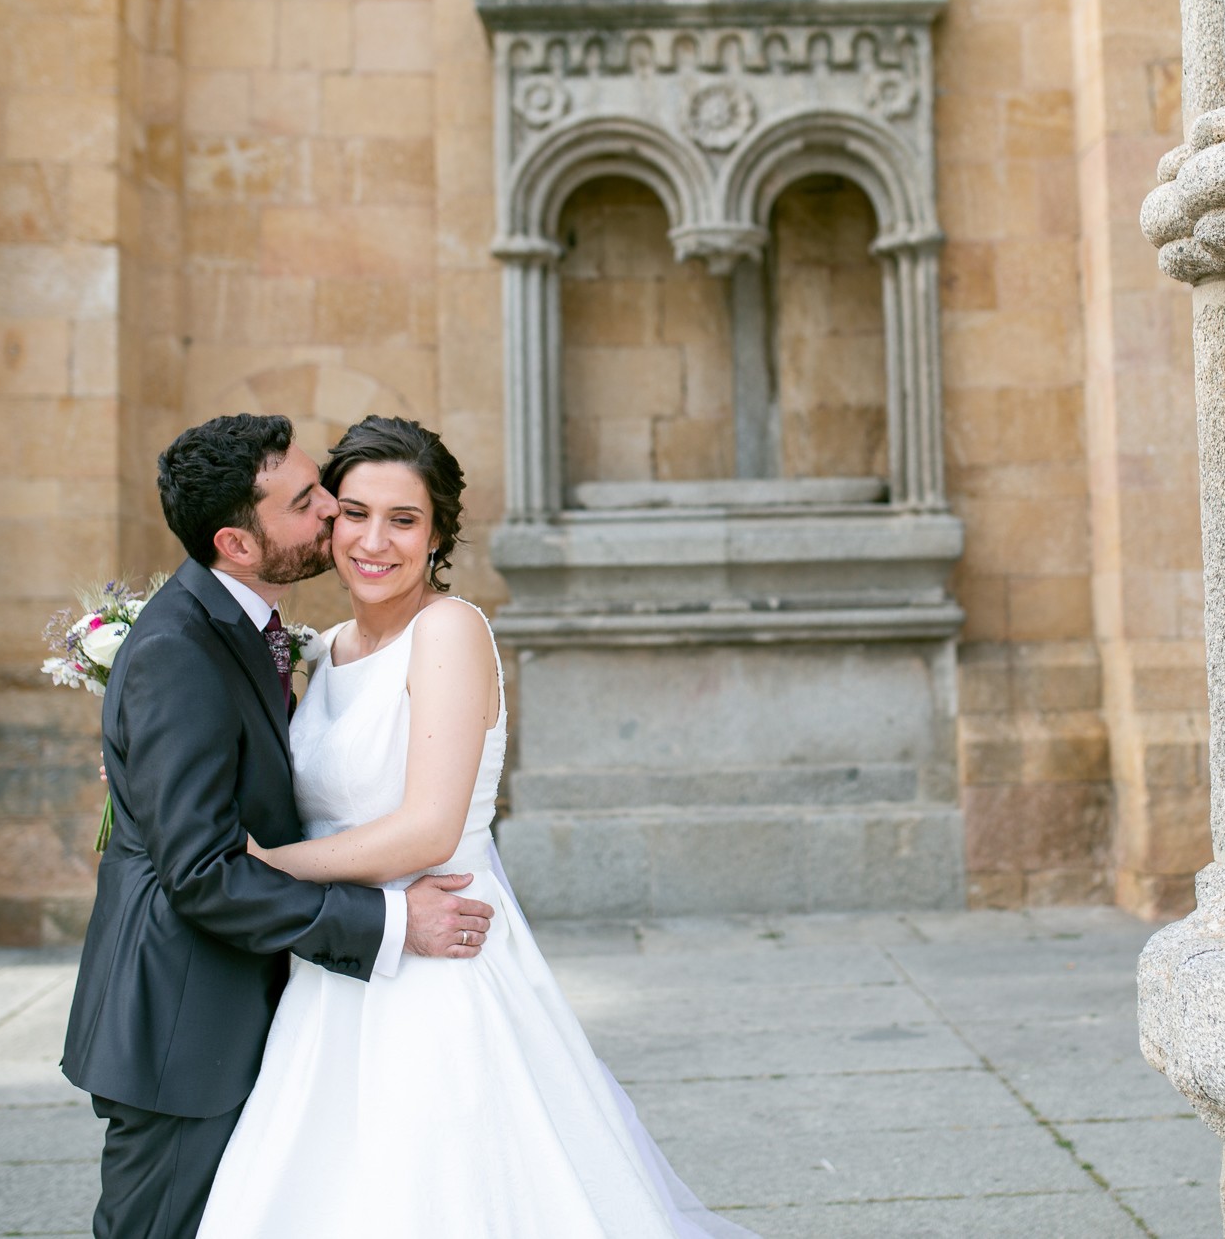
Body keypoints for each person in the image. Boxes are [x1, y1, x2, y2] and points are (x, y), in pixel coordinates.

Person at [196, 415, 755, 1238]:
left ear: (438, 534)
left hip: (437, 959)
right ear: (328, 520)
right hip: (339, 964)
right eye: (354, 513)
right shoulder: (321, 651)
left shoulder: (450, 631)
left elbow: (427, 829)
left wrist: (271, 862)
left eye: (403, 519)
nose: (373, 540)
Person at [62, 414, 496, 1239]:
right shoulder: (182, 649)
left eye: (398, 516)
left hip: (305, 999)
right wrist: (394, 918)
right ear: (237, 542)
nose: (336, 514)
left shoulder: (275, 637)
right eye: (313, 501)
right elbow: (204, 871)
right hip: (184, 1025)